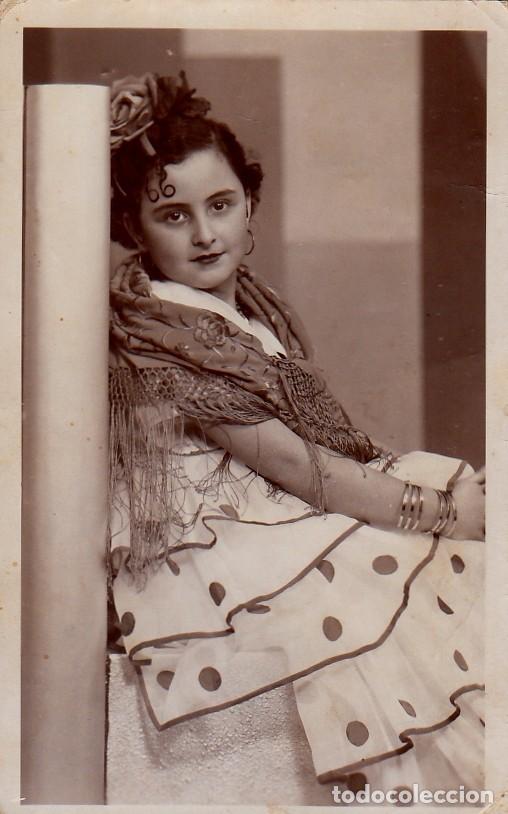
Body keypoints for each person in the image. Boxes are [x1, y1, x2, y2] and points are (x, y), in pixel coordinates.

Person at [108, 71, 485, 795]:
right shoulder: (160, 328)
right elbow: (295, 463)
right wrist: (438, 514)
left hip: (277, 500)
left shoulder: (250, 307)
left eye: (220, 205)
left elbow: (326, 443)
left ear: (252, 207)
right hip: (221, 534)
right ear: (134, 228)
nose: (206, 232)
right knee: (438, 551)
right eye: (174, 215)